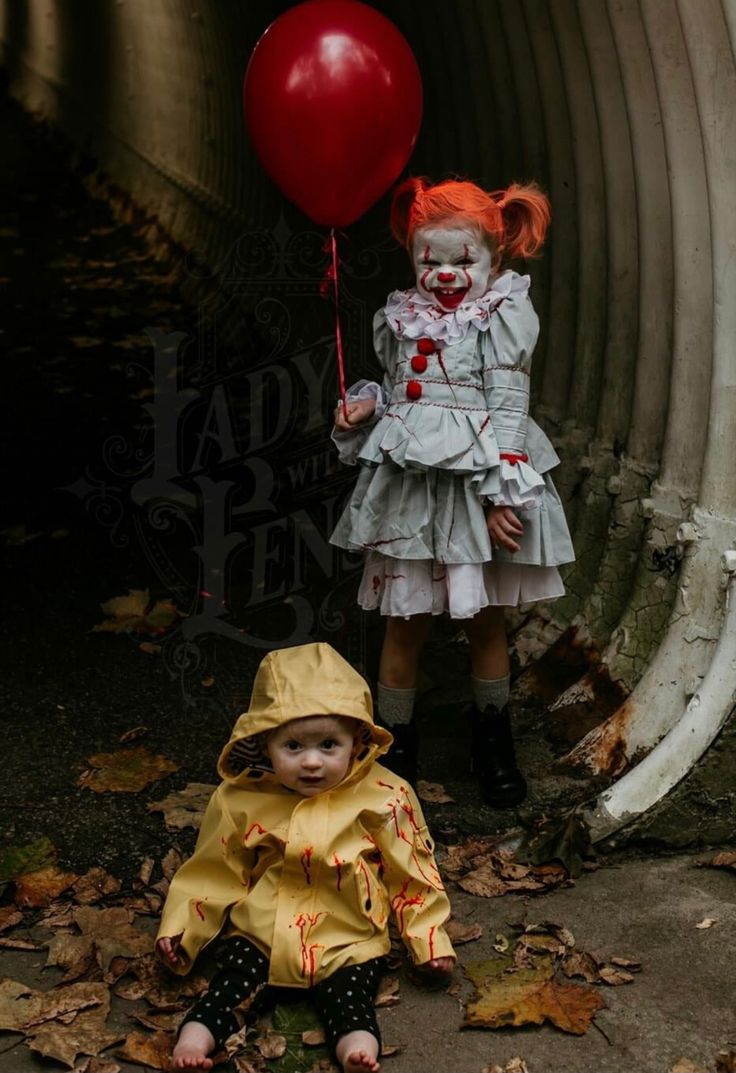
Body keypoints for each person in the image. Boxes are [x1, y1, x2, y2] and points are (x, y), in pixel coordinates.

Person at [330, 176, 575, 804]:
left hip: (475, 483)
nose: (444, 274)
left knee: (486, 621)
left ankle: (493, 743)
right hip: (413, 486)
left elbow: (508, 405)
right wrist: (367, 410)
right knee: (404, 619)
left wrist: (501, 496)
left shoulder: (501, 317)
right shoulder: (401, 317)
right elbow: (403, 394)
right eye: (428, 260)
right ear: (412, 257)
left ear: (495, 258)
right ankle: (395, 755)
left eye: (463, 260)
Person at [155, 642, 455, 1073]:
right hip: (262, 932)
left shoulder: (385, 795)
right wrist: (183, 930)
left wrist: (428, 941)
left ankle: (356, 1048)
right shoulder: (242, 798)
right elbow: (214, 870)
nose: (312, 762)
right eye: (293, 746)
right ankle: (195, 1038)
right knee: (230, 988)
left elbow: (412, 872)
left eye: (329, 745)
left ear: (357, 741)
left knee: (351, 999)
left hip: (348, 936)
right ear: (263, 745)